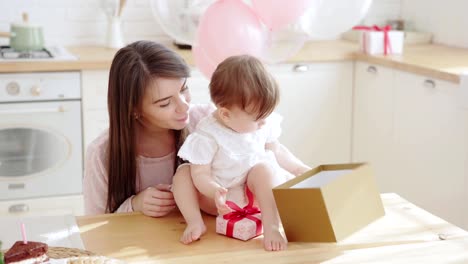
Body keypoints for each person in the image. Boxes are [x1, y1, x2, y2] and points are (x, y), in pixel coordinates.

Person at [172, 55, 311, 251]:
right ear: (225, 115)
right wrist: (214, 190)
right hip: (217, 200)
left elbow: (277, 150)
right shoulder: (208, 134)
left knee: (264, 169)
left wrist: (298, 168)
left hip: (251, 194)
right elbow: (200, 174)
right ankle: (195, 222)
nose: (264, 122)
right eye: (258, 118)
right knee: (182, 174)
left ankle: (271, 226)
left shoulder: (262, 122)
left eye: (266, 115)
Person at [83, 40, 214, 216]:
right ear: (135, 109)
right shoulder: (101, 153)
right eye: (165, 103)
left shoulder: (206, 122)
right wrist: (134, 205)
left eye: (184, 89)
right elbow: (95, 225)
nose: (183, 106)